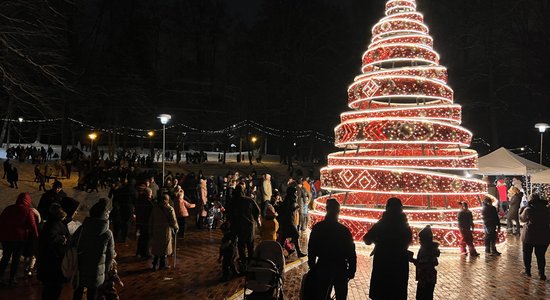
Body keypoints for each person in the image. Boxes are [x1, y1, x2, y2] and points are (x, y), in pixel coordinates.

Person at [363, 197, 412, 300]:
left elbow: (367, 239)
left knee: (381, 293)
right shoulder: (405, 225)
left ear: (387, 208)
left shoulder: (381, 224)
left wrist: (378, 242)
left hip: (383, 263)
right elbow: (408, 241)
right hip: (399, 265)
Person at [307, 199, 356, 299]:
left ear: (327, 209)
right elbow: (351, 251)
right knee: (341, 296)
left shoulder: (318, 227)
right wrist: (352, 270)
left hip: (323, 265)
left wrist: (312, 265)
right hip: (340, 267)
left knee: (321, 294)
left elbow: (311, 248)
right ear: (338, 211)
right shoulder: (344, 230)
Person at [73, 198, 115, 300]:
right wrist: (106, 270)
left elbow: (72, 245)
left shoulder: (82, 229)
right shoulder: (107, 234)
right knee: (93, 295)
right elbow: (109, 255)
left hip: (80, 267)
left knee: (77, 293)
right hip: (97, 270)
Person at [0, 192, 39, 286]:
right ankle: (12, 279)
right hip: (19, 239)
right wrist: (36, 236)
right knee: (16, 259)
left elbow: (1, 221)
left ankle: (0, 276)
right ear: (28, 201)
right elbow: (32, 226)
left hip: (6, 238)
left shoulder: (8, 208)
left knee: (5, 258)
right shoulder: (28, 211)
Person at [37, 204, 70, 299]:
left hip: (51, 261)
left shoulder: (52, 221)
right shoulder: (54, 223)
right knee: (53, 289)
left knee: (50, 289)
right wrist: (62, 239)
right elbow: (50, 237)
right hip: (53, 262)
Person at [230, 183, 261, 271]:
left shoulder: (233, 201)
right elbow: (257, 210)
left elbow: (229, 213)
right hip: (249, 225)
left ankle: (243, 263)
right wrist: (254, 219)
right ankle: (252, 263)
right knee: (250, 245)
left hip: (239, 225)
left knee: (241, 245)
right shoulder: (249, 200)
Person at [519, 194, 550, 280]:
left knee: (527, 254)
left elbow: (522, 219)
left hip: (529, 236)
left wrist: (521, 210)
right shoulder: (547, 209)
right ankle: (541, 273)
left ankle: (527, 271)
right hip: (544, 236)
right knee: (541, 255)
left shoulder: (528, 209)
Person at [149, 194, 179, 271]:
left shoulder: (155, 208)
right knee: (164, 248)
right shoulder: (169, 209)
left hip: (156, 230)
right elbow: (173, 221)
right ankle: (162, 264)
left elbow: (151, 220)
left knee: (157, 248)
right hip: (165, 230)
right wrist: (176, 228)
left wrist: (151, 229)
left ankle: (155, 264)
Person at [277, 186, 307, 258]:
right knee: (295, 235)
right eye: (295, 192)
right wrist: (295, 208)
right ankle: (297, 252)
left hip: (289, 220)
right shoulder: (288, 199)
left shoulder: (291, 199)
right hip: (288, 221)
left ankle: (280, 253)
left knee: (284, 237)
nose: (296, 193)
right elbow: (287, 210)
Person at [412, 225, 440, 300]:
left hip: (425, 278)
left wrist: (414, 261)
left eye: (421, 239)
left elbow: (425, 264)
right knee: (427, 296)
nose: (419, 240)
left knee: (422, 296)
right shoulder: (429, 249)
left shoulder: (426, 250)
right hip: (428, 278)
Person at [135, 187, 154, 258]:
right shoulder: (148, 202)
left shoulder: (139, 200)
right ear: (148, 194)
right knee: (146, 238)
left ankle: (139, 252)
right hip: (146, 221)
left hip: (140, 220)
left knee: (141, 237)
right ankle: (145, 253)